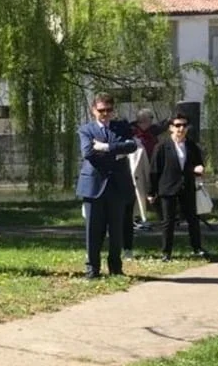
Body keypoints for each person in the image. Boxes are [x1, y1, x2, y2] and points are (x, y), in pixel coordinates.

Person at [75, 92, 139, 278]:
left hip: (117, 186)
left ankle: (116, 269)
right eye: (101, 110)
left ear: (113, 110)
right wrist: (116, 154)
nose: (105, 114)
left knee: (116, 230)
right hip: (94, 186)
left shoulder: (121, 127)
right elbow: (88, 153)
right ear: (94, 110)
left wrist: (106, 148)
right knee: (93, 231)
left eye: (109, 110)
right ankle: (92, 270)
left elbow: (131, 146)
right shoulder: (86, 130)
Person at [148, 111, 210, 262]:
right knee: (168, 222)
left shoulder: (191, 145)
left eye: (184, 125)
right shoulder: (162, 146)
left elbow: (198, 163)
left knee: (192, 219)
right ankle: (166, 252)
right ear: (170, 128)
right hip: (167, 187)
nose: (181, 129)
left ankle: (197, 248)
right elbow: (154, 170)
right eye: (177, 125)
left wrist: (199, 168)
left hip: (187, 186)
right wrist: (151, 192)